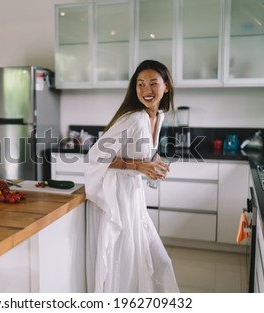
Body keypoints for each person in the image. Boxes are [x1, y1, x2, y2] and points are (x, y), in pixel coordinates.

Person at [84, 60, 179, 293]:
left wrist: (154, 165)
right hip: (116, 198)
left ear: (166, 86)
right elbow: (96, 154)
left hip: (133, 197)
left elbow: (143, 151)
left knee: (147, 260)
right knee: (123, 262)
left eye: (153, 83)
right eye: (140, 84)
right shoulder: (135, 118)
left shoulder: (159, 116)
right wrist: (137, 166)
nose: (147, 90)